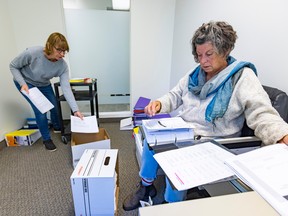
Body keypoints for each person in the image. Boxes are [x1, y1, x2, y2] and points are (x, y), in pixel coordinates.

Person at [123, 21, 288, 211]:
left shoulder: (243, 76)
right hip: (185, 131)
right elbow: (175, 95)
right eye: (199, 55)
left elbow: (261, 112)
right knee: (151, 139)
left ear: (224, 50)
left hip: (214, 141)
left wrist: (281, 134)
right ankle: (146, 187)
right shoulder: (194, 75)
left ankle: (170, 206)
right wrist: (160, 103)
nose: (203, 61)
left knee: (174, 156)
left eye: (209, 54)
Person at [9, 32, 84, 152]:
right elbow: (13, 66)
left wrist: (76, 110)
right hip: (26, 82)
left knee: (54, 105)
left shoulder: (62, 66)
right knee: (41, 110)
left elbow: (66, 88)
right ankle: (46, 139)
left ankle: (57, 127)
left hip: (43, 84)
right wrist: (22, 83)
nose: (62, 54)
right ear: (50, 46)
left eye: (64, 51)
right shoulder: (32, 53)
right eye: (59, 50)